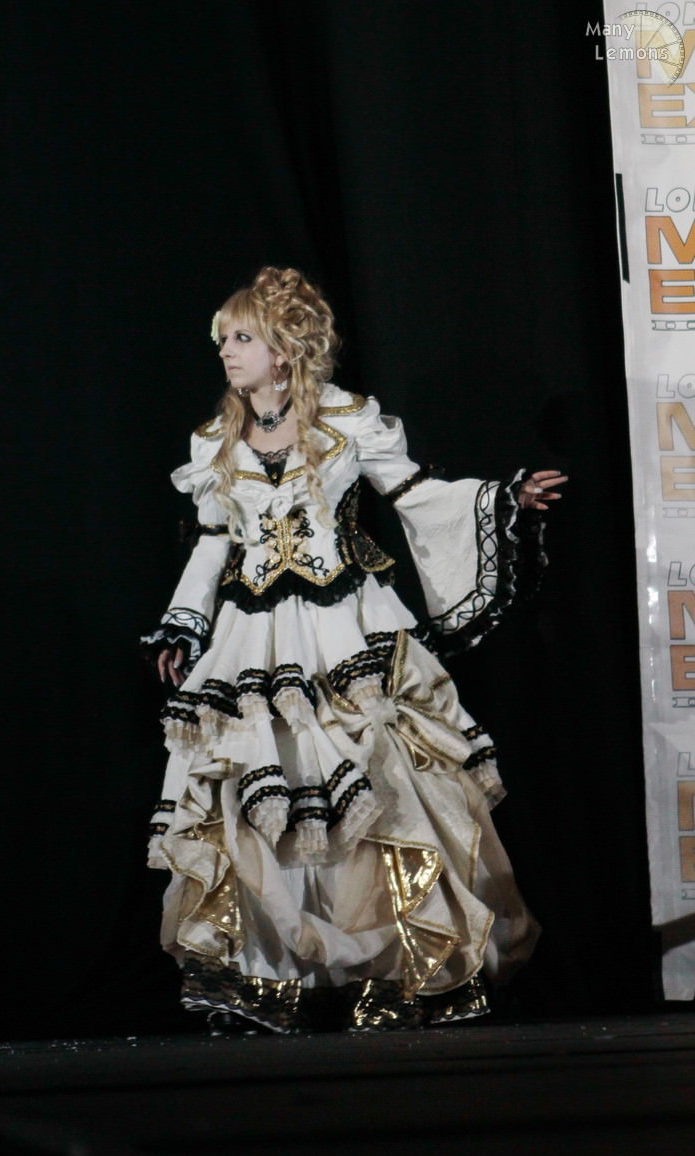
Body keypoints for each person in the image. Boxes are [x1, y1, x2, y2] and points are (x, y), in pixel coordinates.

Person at [142, 266, 566, 1033]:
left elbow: (415, 495)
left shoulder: (346, 421)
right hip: (252, 639)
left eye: (242, 338)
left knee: (378, 786)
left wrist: (502, 499)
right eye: (224, 340)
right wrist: (182, 625)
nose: (227, 352)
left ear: (284, 350)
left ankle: (412, 967)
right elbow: (212, 545)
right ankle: (271, 972)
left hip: (343, 627)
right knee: (258, 792)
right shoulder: (216, 442)